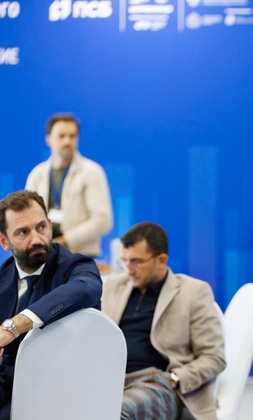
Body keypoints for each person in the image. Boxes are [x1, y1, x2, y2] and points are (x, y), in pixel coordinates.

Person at [101, 222, 225, 420]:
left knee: (117, 411)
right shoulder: (114, 286)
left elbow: (214, 357)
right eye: (125, 262)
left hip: (159, 384)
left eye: (136, 262)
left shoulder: (193, 292)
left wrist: (175, 378)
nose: (129, 270)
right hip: (111, 380)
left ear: (161, 260)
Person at [0, 190, 102, 418]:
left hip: (60, 392)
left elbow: (87, 288)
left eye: (41, 227)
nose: (37, 239)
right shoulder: (2, 277)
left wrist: (13, 327)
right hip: (8, 388)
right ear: (4, 241)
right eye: (23, 232)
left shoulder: (75, 267)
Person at [25, 113, 113, 257]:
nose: (67, 141)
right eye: (61, 136)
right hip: (43, 255)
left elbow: (102, 221)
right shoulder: (37, 174)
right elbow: (27, 217)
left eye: (72, 136)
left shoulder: (91, 172)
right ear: (48, 139)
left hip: (81, 255)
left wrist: (64, 241)